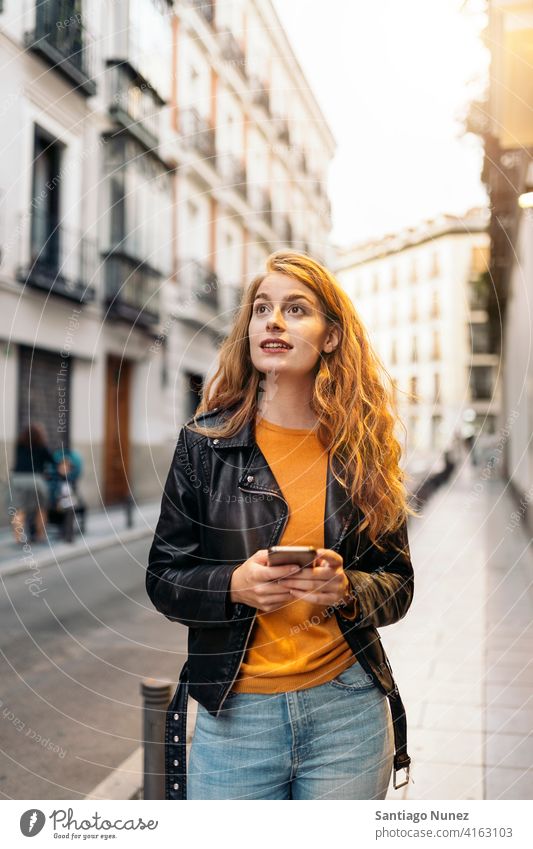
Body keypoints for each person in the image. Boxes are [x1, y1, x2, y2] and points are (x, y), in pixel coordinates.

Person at [146, 250, 416, 800]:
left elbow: (399, 585)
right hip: (237, 715)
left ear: (332, 337)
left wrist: (348, 588)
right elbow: (164, 578)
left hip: (349, 712)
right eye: (262, 309)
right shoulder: (205, 447)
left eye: (296, 309)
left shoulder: (362, 451)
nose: (273, 321)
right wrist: (232, 586)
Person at [10, 422, 54, 543]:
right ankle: (40, 535)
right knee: (41, 508)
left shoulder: (19, 445)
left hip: (18, 478)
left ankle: (17, 538)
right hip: (36, 479)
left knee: (20, 509)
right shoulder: (42, 446)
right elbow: (52, 460)